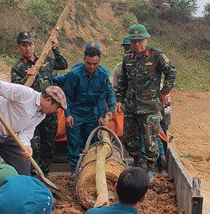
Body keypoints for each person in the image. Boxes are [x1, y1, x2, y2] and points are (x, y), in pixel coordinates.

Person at [115, 23, 176, 179]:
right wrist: (120, 100)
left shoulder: (156, 56)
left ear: (146, 40)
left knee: (150, 141)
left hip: (149, 107)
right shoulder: (127, 58)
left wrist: (164, 93)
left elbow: (171, 73)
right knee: (128, 139)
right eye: (134, 41)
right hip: (131, 106)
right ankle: (139, 162)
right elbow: (123, 81)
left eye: (140, 40)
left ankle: (150, 168)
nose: (137, 44)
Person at [0, 79, 67, 176]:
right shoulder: (26, 94)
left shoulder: (41, 115)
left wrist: (26, 146)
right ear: (48, 100)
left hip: (7, 134)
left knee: (23, 162)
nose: (55, 111)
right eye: (56, 108)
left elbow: (25, 132)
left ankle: (22, 187)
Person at [11, 31, 68, 177]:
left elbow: (63, 64)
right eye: (24, 45)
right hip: (31, 114)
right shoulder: (18, 67)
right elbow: (15, 91)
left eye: (30, 44)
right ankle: (33, 176)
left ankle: (45, 174)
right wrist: (26, 77)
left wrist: (55, 48)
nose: (28, 48)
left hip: (49, 113)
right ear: (19, 47)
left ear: (34, 45)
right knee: (33, 147)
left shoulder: (45, 61)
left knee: (48, 145)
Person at [61, 44, 116, 175]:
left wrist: (105, 113)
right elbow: (66, 96)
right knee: (73, 142)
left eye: (95, 64)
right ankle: (74, 170)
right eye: (88, 63)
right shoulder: (74, 74)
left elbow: (103, 96)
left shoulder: (102, 75)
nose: (91, 67)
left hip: (92, 112)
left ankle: (90, 167)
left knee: (93, 141)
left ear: (99, 62)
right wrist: (68, 114)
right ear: (84, 59)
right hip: (75, 112)